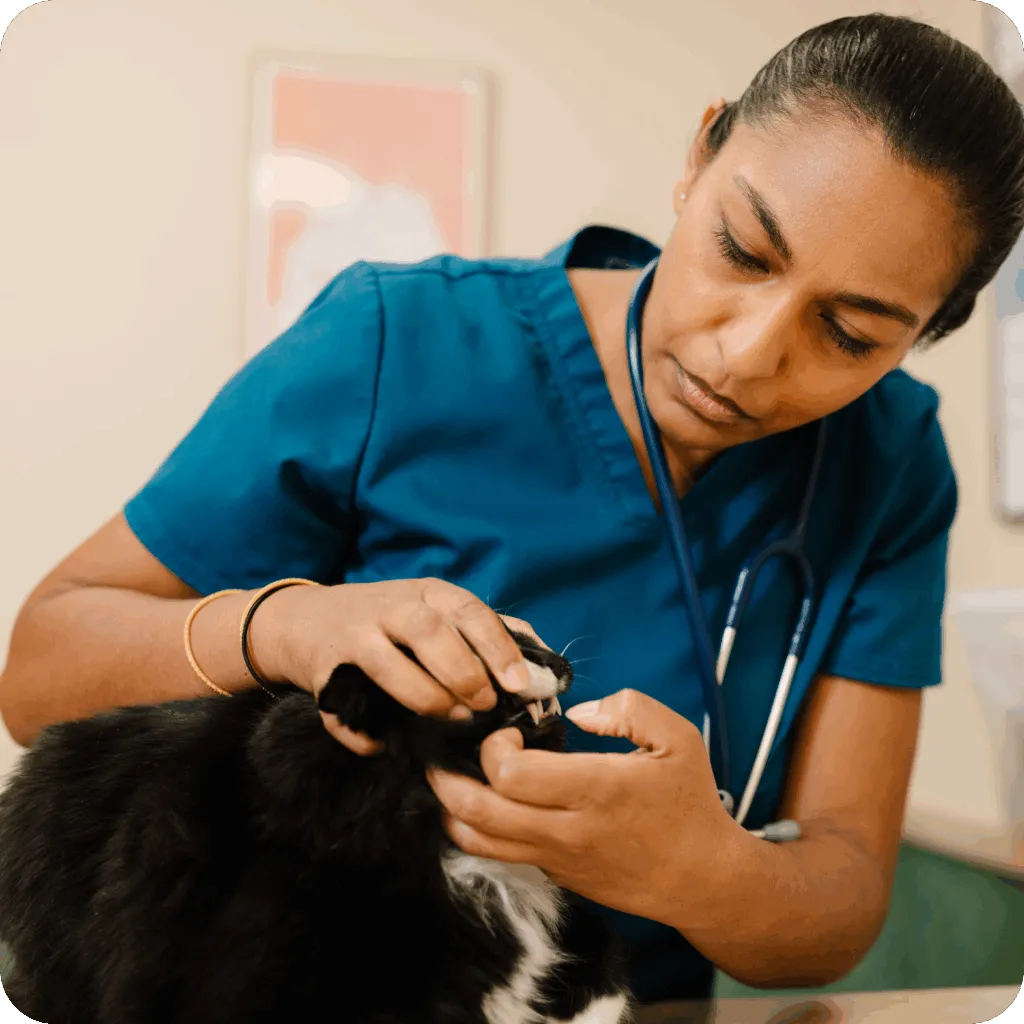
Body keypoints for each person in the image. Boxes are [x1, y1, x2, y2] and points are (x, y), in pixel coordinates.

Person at [2, 12, 1024, 1005]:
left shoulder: (890, 463)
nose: (746, 354)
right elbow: (41, 674)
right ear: (697, 155)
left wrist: (701, 867)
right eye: (742, 251)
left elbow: (838, 902)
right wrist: (284, 625)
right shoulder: (400, 339)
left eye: (849, 332)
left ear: (929, 329)